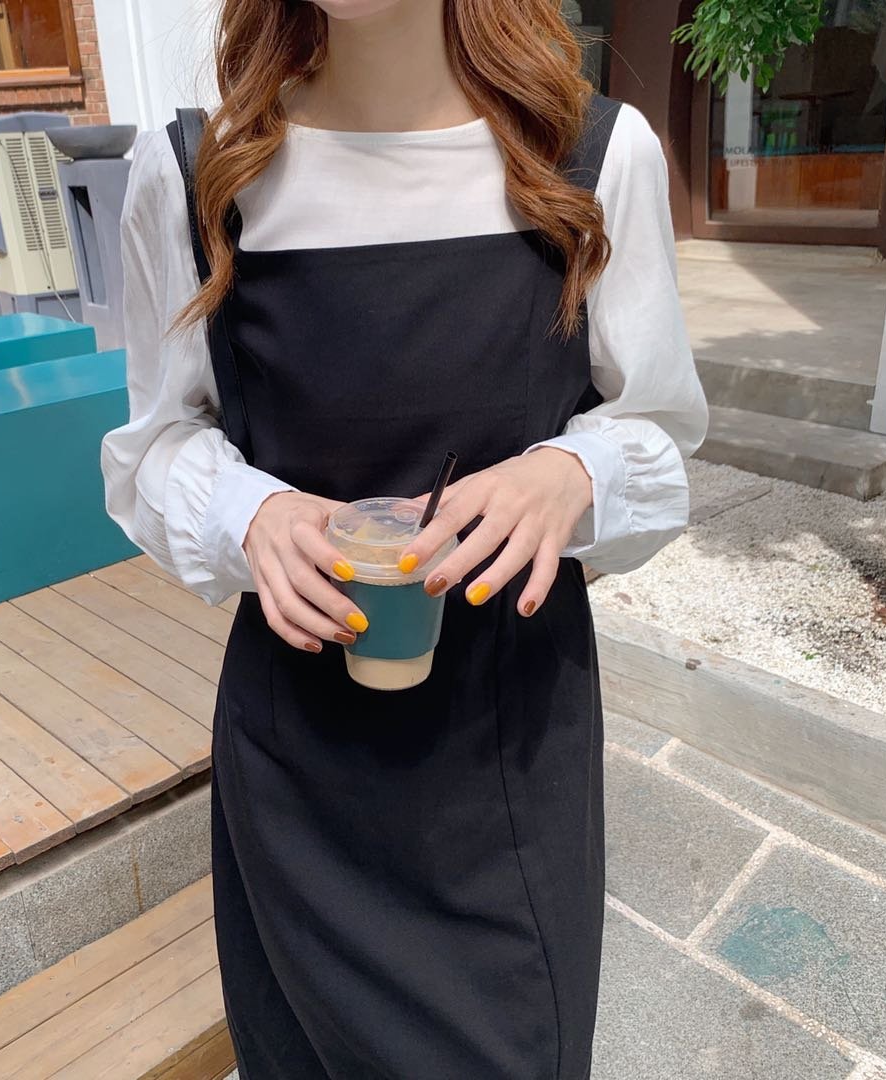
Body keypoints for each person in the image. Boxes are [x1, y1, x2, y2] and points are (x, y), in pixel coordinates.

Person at [101, 1, 708, 1076]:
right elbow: (154, 444)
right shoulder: (197, 173)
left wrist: (573, 471)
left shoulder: (592, 156)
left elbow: (658, 427)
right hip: (297, 764)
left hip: (509, 761)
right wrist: (250, 512)